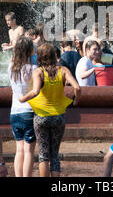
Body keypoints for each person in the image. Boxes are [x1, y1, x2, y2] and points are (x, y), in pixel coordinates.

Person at [19, 43, 81, 177]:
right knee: (54, 155)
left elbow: (35, 91)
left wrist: (22, 99)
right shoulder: (63, 70)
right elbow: (77, 87)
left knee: (43, 154)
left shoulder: (39, 72)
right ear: (54, 55)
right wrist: (76, 101)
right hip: (58, 116)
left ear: (40, 57)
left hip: (41, 117)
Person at [8, 36, 37, 177]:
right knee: (29, 151)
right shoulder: (33, 68)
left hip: (14, 112)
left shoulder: (11, 67)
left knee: (19, 150)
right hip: (29, 112)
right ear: (29, 50)